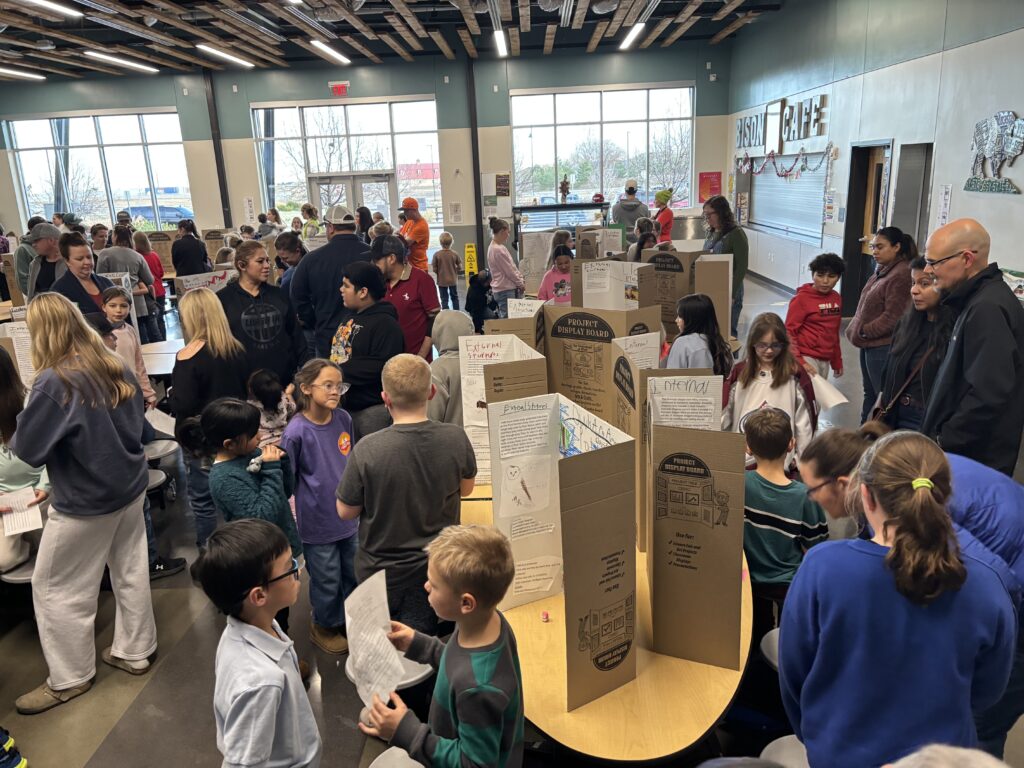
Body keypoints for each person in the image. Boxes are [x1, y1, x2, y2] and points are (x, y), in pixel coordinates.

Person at [780, 431, 1016, 768]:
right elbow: (987, 691)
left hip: (840, 751)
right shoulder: (987, 585)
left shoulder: (821, 568)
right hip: (940, 758)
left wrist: (819, 733)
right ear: (944, 494)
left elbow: (794, 673)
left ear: (864, 494)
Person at [11, 293, 156, 714]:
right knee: (130, 571)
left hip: (85, 502)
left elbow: (27, 450)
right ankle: (135, 651)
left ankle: (69, 678)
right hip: (129, 486)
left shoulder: (54, 381)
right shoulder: (113, 363)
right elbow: (137, 426)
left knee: (56, 589)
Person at [359, 525, 524, 768]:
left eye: (434, 585)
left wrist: (407, 732)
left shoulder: (478, 689)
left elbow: (474, 764)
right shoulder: (486, 621)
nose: (425, 586)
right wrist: (421, 645)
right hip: (453, 730)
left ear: (466, 603)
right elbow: (462, 660)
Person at [336, 354, 477, 634]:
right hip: (436, 570)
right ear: (432, 392)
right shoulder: (455, 438)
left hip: (380, 574)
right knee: (422, 643)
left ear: (385, 398)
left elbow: (345, 511)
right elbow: (466, 489)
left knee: (384, 646)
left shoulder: (367, 449)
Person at [190, 519, 322, 768]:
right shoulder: (261, 683)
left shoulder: (251, 627)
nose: (299, 571)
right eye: (290, 567)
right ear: (259, 595)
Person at [178, 397, 302, 634]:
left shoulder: (249, 453)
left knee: (281, 609)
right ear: (230, 443)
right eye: (253, 434)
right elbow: (262, 516)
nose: (260, 437)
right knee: (268, 617)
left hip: (276, 548)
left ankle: (282, 643)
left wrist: (282, 463)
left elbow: (283, 493)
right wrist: (271, 469)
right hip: (258, 560)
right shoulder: (223, 479)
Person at [921, 218, 1024, 476]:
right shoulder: (977, 299)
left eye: (934, 262)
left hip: (972, 459)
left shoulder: (987, 308)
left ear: (967, 259)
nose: (928, 270)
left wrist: (945, 439)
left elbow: (989, 392)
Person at [280, 359, 358, 655]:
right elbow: (288, 480)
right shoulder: (296, 432)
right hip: (317, 522)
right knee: (326, 579)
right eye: (328, 385)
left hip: (349, 518)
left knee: (352, 572)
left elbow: (350, 461)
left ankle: (349, 620)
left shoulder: (344, 419)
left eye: (339, 385)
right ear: (306, 388)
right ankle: (324, 625)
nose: (335, 391)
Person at [172, 288, 249, 548]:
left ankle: (209, 552)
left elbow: (183, 404)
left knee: (203, 500)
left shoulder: (188, 356)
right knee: (236, 494)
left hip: (200, 440)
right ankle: (241, 548)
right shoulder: (236, 349)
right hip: (235, 433)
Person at [742, 408, 828, 643]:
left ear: (748, 447)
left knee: (754, 634)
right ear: (791, 444)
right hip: (788, 586)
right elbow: (816, 549)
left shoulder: (740, 483)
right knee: (786, 640)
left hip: (748, 581)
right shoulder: (805, 497)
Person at [723, 313, 816, 467]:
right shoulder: (739, 373)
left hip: (782, 464)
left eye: (775, 345)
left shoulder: (795, 374)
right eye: (762, 345)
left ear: (784, 344)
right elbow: (725, 414)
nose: (769, 351)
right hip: (744, 462)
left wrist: (800, 460)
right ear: (752, 344)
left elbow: (805, 423)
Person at [845, 226, 915, 423]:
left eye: (880, 247)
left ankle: (879, 436)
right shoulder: (883, 271)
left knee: (881, 399)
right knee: (870, 394)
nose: (874, 251)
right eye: (873, 247)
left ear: (896, 247)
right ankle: (864, 434)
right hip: (869, 345)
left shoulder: (901, 274)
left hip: (881, 347)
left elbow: (894, 317)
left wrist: (864, 331)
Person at [330, 261, 405, 440]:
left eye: (346, 285)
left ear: (363, 292)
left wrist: (340, 370)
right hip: (344, 408)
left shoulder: (386, 325)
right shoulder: (350, 315)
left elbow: (385, 366)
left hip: (370, 413)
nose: (341, 289)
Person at [876, 257, 953, 431]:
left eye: (924, 284)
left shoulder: (953, 332)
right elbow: (888, 370)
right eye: (913, 283)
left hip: (925, 420)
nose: (914, 290)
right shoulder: (906, 324)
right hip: (895, 413)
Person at [218, 240, 308, 386]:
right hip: (244, 384)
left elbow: (296, 336)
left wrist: (304, 372)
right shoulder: (223, 299)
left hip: (284, 382)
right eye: (260, 261)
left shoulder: (279, 295)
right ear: (242, 265)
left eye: (267, 260)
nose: (267, 266)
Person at [291, 204, 371, 358]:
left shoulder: (311, 260)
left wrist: (313, 321)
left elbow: (298, 297)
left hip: (328, 334)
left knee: (329, 373)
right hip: (368, 334)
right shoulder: (371, 254)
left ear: (331, 227)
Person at [0, 345, 49, 573]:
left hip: (40, 492)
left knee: (55, 553)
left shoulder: (30, 402)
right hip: (4, 500)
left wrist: (44, 485)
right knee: (4, 560)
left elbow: (55, 449)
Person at [371, 234, 440, 360]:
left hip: (415, 363)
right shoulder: (377, 282)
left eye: (377, 260)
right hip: (386, 363)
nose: (373, 264)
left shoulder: (422, 280)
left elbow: (434, 320)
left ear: (391, 258)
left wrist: (420, 357)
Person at [785, 252, 844, 379]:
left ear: (838, 277)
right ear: (813, 275)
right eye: (820, 275)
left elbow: (833, 333)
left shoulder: (836, 298)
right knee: (809, 390)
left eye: (831, 276)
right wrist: (799, 361)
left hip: (825, 358)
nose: (825, 281)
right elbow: (789, 332)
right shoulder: (801, 299)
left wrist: (837, 361)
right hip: (806, 356)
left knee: (820, 392)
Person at [97, 225, 156, 343]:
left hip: (113, 301)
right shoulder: (137, 256)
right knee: (140, 336)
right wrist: (137, 279)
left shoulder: (105, 253)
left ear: (115, 236)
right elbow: (150, 280)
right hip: (136, 302)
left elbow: (99, 277)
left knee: (117, 337)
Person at [101, 287, 157, 410]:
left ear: (130, 307)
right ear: (104, 307)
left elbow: (139, 364)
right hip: (110, 394)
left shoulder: (130, 330)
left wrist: (148, 392)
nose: (118, 310)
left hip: (132, 390)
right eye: (112, 306)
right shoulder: (99, 334)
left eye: (123, 306)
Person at [702, 195, 749, 339]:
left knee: (728, 333)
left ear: (721, 213)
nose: (707, 218)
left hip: (730, 288)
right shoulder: (710, 233)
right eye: (705, 215)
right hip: (713, 287)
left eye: (710, 214)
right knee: (712, 332)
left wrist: (732, 294)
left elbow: (741, 267)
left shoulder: (736, 234)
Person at [428, 310, 476, 426]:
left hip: (450, 436)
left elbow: (431, 418)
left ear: (437, 334)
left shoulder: (436, 369)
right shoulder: (483, 362)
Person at [666, 294, 734, 375]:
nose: (676, 320)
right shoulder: (722, 346)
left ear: (691, 319)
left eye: (680, 316)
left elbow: (671, 376)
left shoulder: (682, 343)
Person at [51, 232, 115, 315]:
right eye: (80, 259)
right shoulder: (59, 291)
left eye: (89, 257)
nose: (87, 262)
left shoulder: (107, 283)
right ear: (67, 261)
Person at [247, 368, 295, 448]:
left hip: (264, 447)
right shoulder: (283, 400)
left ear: (251, 390)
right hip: (285, 441)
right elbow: (293, 409)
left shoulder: (249, 408)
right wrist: (289, 394)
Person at [487, 217, 524, 319]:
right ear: (502, 231)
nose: (508, 235)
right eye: (508, 232)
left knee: (509, 318)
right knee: (507, 321)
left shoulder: (497, 247)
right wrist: (520, 284)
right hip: (505, 291)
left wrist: (520, 278)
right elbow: (510, 272)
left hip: (503, 289)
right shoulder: (498, 250)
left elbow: (512, 267)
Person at [133, 230, 167, 342]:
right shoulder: (154, 255)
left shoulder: (137, 257)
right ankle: (165, 342)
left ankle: (157, 345)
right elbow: (161, 273)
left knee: (151, 324)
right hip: (160, 291)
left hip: (149, 294)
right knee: (160, 320)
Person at [16, 222, 63, 298]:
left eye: (36, 241)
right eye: (32, 242)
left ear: (51, 240)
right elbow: (31, 292)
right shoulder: (35, 264)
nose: (33, 245)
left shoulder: (69, 262)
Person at [398, 197, 430, 272]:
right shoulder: (409, 221)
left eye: (406, 210)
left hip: (419, 267)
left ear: (414, 210)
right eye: (404, 210)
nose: (404, 213)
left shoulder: (421, 225)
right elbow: (400, 236)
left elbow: (404, 243)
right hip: (409, 266)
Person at [432, 231, 462, 310]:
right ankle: (457, 312)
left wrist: (440, 272)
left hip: (442, 281)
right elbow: (460, 267)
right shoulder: (455, 254)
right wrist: (454, 270)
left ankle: (446, 313)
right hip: (453, 280)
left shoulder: (436, 254)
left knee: (444, 299)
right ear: (452, 242)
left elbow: (434, 269)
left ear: (440, 243)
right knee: (454, 297)